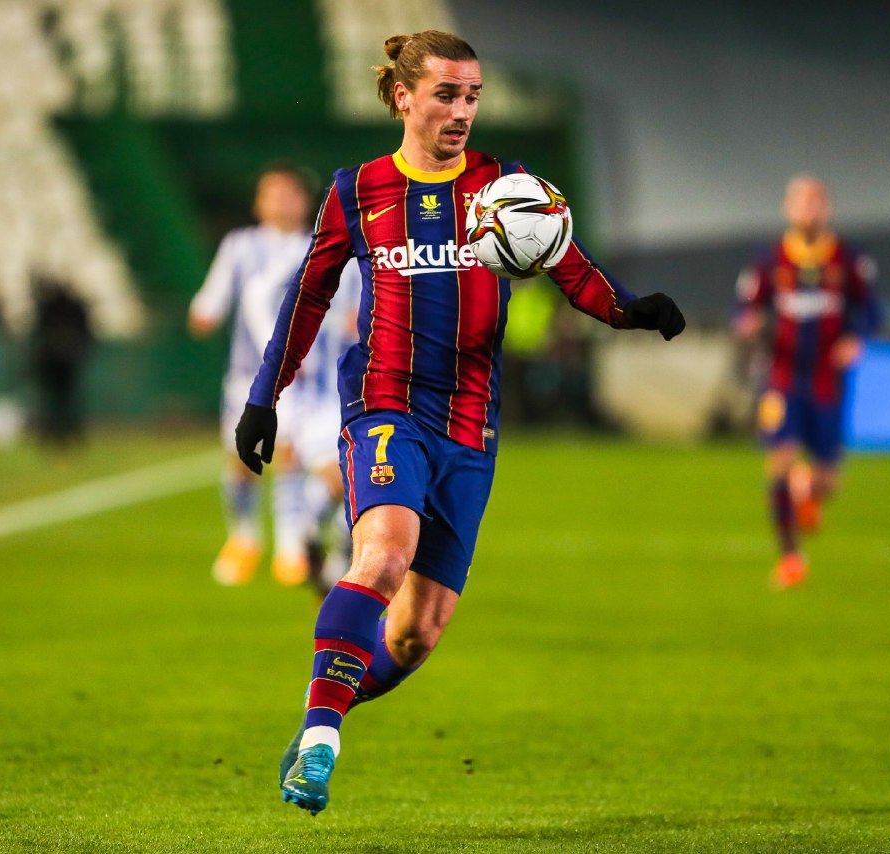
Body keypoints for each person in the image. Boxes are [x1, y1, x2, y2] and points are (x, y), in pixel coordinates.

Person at [233, 30, 686, 815]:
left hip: (471, 429)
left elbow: (566, 264)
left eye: (472, 96)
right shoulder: (358, 191)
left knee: (415, 637)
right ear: (403, 97)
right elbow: (307, 297)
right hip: (384, 404)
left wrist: (626, 310)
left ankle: (322, 709)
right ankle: (319, 742)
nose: (462, 111)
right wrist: (263, 398)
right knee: (381, 554)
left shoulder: (506, 185)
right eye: (446, 94)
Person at [190, 164, 360, 588]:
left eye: (290, 193)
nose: (282, 201)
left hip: (316, 387)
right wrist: (205, 311)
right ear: (258, 202)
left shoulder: (332, 248)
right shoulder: (241, 247)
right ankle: (244, 538)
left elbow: (356, 316)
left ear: (306, 201)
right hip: (251, 380)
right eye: (272, 193)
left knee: (320, 471)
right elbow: (208, 307)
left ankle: (293, 546)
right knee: (243, 465)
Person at [734, 175, 880, 589]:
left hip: (826, 380)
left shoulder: (848, 260)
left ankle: (809, 491)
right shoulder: (769, 261)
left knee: (829, 479)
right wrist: (746, 323)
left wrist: (856, 339)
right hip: (781, 376)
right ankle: (791, 557)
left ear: (826, 209)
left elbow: (870, 311)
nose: (809, 209)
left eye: (816, 202)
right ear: (788, 208)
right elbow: (744, 307)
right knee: (779, 459)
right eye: (801, 202)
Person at [31, 273, 92, 446]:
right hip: (52, 361)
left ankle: (69, 433)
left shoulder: (72, 307)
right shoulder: (49, 307)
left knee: (67, 399)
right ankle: (51, 433)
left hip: (68, 361)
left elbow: (85, 332)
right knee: (52, 400)